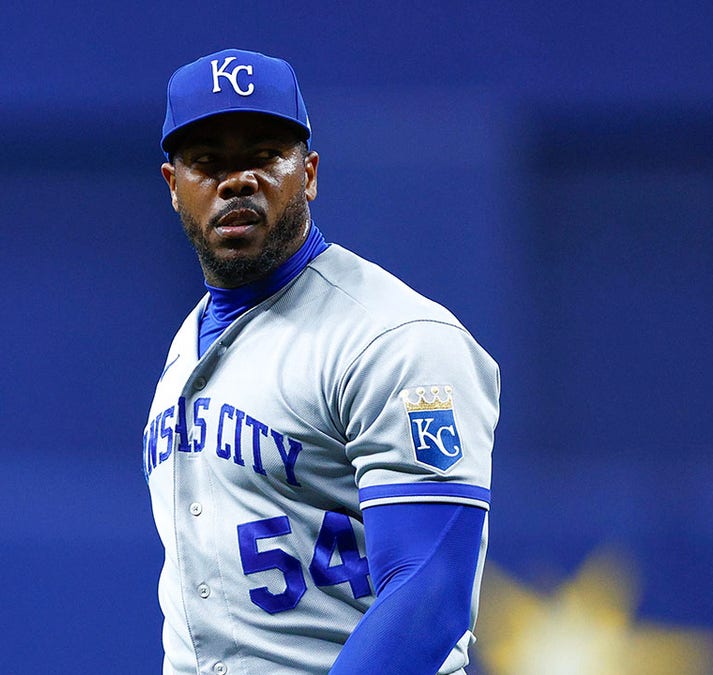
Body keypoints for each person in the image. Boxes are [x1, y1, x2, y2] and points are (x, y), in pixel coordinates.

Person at [143, 48, 500, 675]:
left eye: (262, 155)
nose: (237, 180)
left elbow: (430, 590)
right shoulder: (188, 343)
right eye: (208, 162)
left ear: (308, 173)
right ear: (174, 187)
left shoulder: (395, 337)